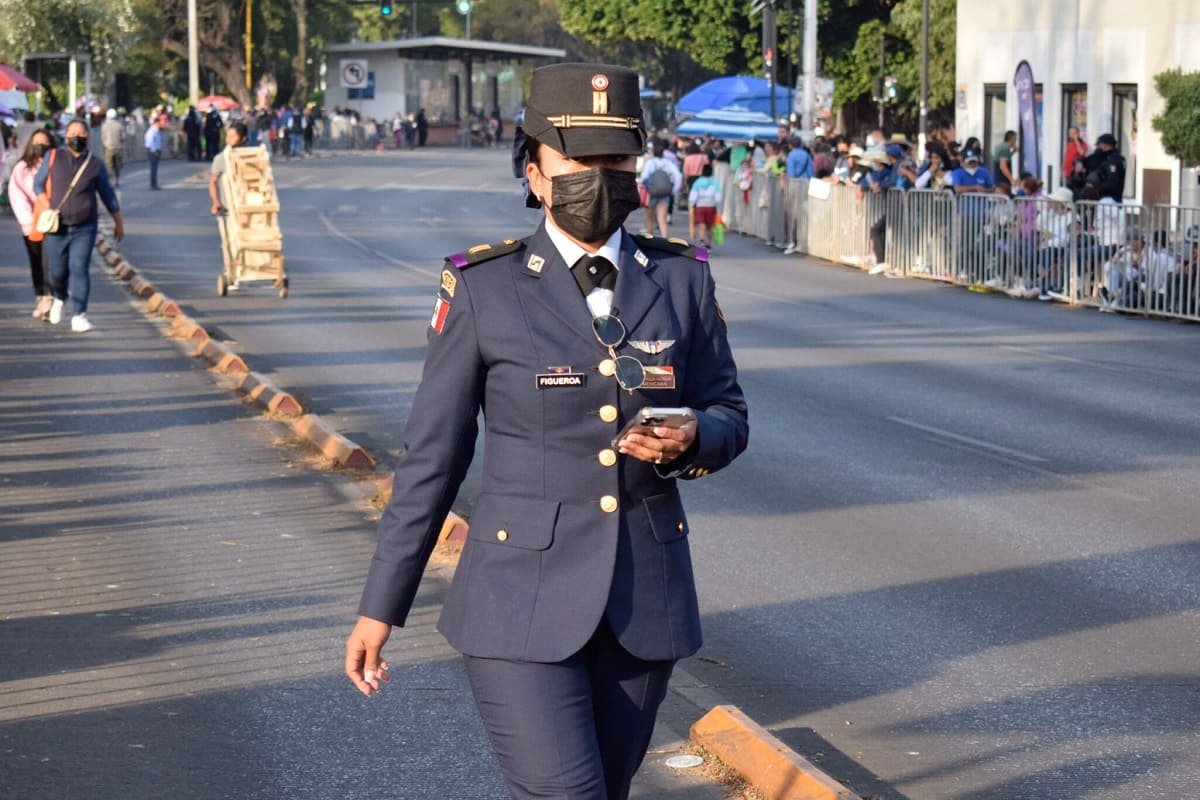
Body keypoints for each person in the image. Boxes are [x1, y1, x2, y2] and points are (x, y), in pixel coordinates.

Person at [343, 61, 748, 800]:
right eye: (580, 162)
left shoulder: (682, 280)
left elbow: (729, 413)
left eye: (617, 161)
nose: (602, 177)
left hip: (642, 602)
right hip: (515, 600)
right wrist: (382, 604)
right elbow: (434, 456)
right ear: (534, 173)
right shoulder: (483, 287)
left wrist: (694, 433)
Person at [33, 118, 125, 332]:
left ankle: (79, 314)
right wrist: (43, 200)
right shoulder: (54, 156)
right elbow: (38, 182)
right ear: (65, 136)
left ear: (87, 137)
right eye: (72, 133)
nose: (76, 137)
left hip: (85, 227)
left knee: (79, 268)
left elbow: (107, 194)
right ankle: (60, 297)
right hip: (57, 227)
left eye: (80, 133)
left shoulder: (95, 163)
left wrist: (118, 222)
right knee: (57, 271)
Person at [7, 128, 56, 319]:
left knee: (49, 262)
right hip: (31, 223)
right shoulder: (22, 168)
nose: (40, 147)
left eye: (44, 143)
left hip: (52, 221)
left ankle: (50, 298)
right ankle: (41, 297)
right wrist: (28, 219)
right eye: (37, 143)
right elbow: (16, 194)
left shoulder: (56, 165)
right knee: (36, 262)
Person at [639, 141, 682, 238]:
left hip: (651, 194)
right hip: (665, 194)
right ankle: (664, 240)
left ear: (653, 152)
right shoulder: (667, 163)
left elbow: (643, 177)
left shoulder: (650, 163)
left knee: (650, 219)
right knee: (662, 219)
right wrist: (674, 190)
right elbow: (678, 176)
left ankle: (650, 241)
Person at [688, 162, 723, 247]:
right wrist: (718, 207)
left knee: (701, 224)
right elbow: (718, 197)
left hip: (700, 206)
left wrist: (691, 205)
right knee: (710, 226)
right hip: (711, 207)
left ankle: (702, 241)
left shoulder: (698, 182)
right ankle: (709, 244)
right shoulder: (715, 182)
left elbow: (693, 196)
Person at [100, 109, 125, 188]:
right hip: (118, 147)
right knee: (117, 166)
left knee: (109, 166)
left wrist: (105, 143)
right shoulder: (119, 125)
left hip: (109, 148)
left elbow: (103, 137)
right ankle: (117, 180)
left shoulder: (104, 125)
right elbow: (123, 137)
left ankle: (110, 181)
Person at [144, 115, 163, 190]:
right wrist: (154, 151)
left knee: (155, 169)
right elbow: (150, 142)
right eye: (159, 123)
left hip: (156, 151)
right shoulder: (151, 131)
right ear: (156, 123)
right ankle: (153, 184)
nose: (160, 125)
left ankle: (154, 183)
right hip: (153, 151)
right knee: (153, 169)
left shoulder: (156, 131)